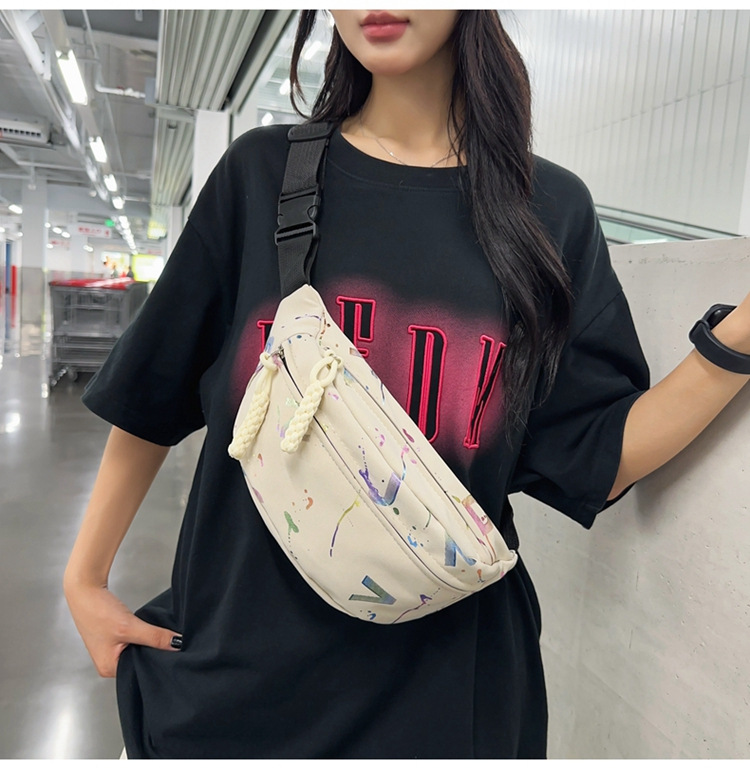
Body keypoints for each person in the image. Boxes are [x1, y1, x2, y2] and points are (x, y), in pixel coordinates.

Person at [63, 10, 750, 759]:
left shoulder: (549, 211)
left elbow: (596, 452)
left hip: (447, 702)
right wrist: (85, 578)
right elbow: (151, 390)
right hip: (233, 695)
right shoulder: (259, 176)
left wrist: (738, 336)